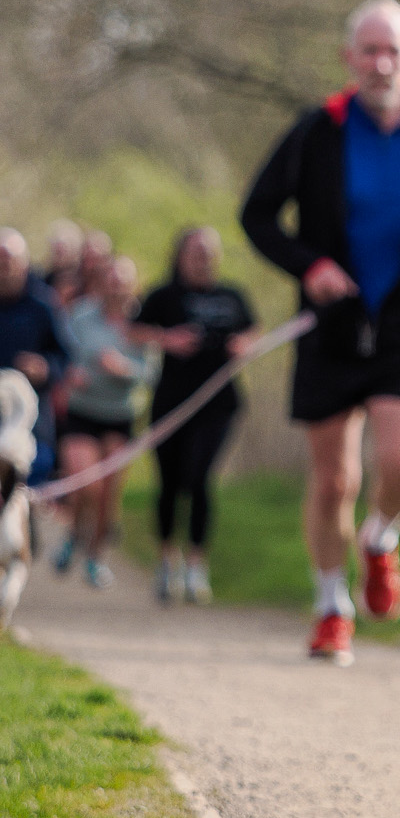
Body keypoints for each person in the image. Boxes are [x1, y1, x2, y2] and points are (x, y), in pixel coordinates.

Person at [240, 0, 400, 666]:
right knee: (332, 481)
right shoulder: (318, 128)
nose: (381, 63)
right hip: (334, 326)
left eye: (392, 51)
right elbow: (257, 215)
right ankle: (330, 607)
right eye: (369, 51)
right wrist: (309, 264)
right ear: (350, 59)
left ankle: (380, 538)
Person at [134, 227, 260, 604]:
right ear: (181, 254)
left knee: (200, 478)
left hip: (218, 404)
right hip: (171, 402)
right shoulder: (162, 295)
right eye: (197, 250)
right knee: (170, 483)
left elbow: (253, 330)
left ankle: (196, 567)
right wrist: (167, 340)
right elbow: (133, 329)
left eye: (210, 250)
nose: (204, 257)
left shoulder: (232, 295)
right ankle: (166, 562)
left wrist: (244, 345)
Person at [54, 253, 152, 588]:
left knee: (109, 493)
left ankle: (95, 557)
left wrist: (125, 369)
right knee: (87, 485)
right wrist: (68, 373)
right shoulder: (80, 315)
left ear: (132, 283)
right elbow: (60, 352)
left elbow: (152, 373)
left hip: (120, 415)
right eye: (111, 277)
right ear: (102, 280)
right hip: (83, 412)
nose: (116, 284)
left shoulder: (142, 321)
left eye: (123, 278)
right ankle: (73, 534)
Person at [0, 228, 73, 491]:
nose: (4, 269)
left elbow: (64, 357)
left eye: (9, 261)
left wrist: (44, 368)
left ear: (24, 263)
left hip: (32, 421)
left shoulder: (44, 304)